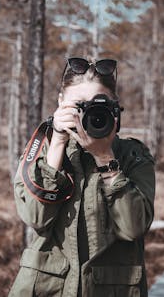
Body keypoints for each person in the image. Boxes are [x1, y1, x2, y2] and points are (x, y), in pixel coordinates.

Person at [8, 57, 155, 297]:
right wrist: (56, 143)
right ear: (60, 104)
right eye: (78, 106)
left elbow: (133, 228)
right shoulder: (42, 149)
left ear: (114, 107)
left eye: (98, 105)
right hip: (47, 289)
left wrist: (106, 159)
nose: (87, 115)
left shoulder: (133, 155)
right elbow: (36, 217)